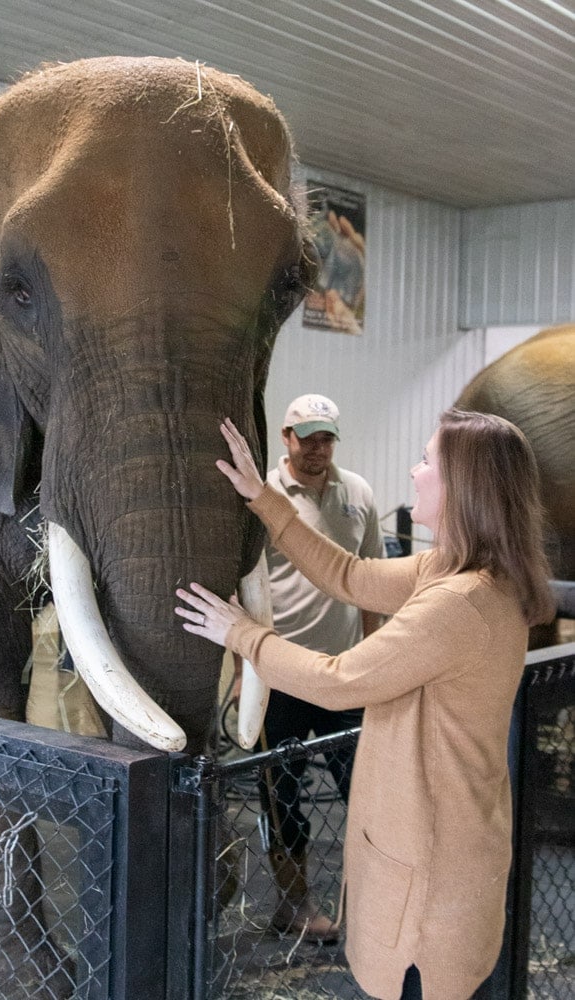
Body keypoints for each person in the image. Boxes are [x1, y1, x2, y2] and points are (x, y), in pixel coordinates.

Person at [176, 409, 555, 1000]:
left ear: (463, 486)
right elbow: (350, 575)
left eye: (429, 461)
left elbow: (339, 679)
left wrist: (241, 635)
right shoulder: (467, 574)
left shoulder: (459, 602)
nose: (414, 470)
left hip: (427, 908)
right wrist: (264, 498)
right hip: (452, 871)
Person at [246, 392, 385, 943]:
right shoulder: (263, 495)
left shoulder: (358, 494)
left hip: (345, 671)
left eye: (326, 438)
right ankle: (293, 904)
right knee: (282, 797)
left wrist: (374, 658)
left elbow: (370, 579)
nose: (318, 449)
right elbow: (245, 581)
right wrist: (244, 670)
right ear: (286, 438)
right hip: (279, 675)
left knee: (367, 790)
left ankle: (370, 904)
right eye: (308, 439)